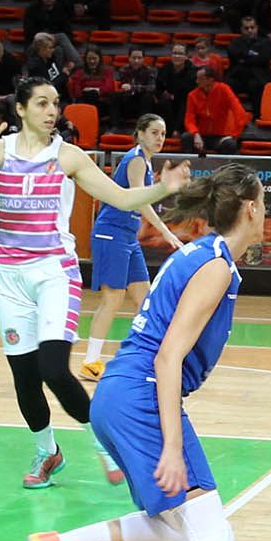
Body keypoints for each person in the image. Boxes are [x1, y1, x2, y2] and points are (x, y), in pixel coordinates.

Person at [30, 165, 269, 541]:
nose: (266, 210)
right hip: (139, 394)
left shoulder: (203, 254)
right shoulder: (215, 265)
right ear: (250, 208)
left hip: (119, 395)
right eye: (264, 201)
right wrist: (172, 447)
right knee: (214, 534)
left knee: (179, 525)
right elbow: (167, 357)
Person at [0, 85, 188, 488]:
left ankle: (103, 440)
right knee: (24, 375)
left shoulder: (68, 156)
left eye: (55, 104)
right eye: (42, 103)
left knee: (53, 368)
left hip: (54, 273)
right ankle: (48, 451)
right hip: (9, 278)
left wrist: (162, 189)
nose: (51, 111)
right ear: (21, 108)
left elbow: (122, 198)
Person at [80, 115, 179, 380]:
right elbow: (138, 200)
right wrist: (165, 230)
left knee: (144, 299)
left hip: (128, 236)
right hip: (111, 233)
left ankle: (140, 357)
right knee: (113, 299)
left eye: (163, 134)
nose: (160, 138)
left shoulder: (146, 161)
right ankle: (90, 362)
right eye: (154, 132)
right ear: (140, 134)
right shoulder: (135, 159)